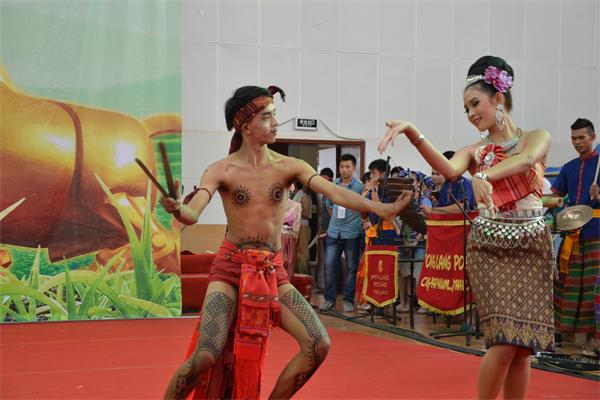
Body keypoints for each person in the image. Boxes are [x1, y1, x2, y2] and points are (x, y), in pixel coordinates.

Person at [160, 85, 410, 399]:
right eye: (267, 116)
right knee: (206, 354)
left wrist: (379, 208)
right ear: (245, 124)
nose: (275, 122)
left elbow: (335, 192)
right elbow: (192, 213)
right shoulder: (221, 170)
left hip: (272, 271)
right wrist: (177, 208)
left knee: (318, 344)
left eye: (274, 114)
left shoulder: (288, 166)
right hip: (229, 269)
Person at [378, 55, 554, 400]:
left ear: (498, 98)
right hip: (490, 247)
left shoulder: (537, 137)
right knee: (503, 341)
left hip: (533, 244)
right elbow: (448, 169)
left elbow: (525, 160)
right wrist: (413, 132)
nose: (471, 113)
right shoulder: (474, 151)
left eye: (475, 104)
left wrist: (484, 175)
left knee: (523, 346)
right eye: (466, 109)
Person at [551, 118, 599, 356]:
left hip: (596, 234)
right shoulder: (568, 167)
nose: (577, 142)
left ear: (593, 137)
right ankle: (571, 335)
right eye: (573, 138)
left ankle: (594, 340)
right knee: (569, 285)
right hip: (573, 235)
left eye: (582, 138)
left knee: (592, 288)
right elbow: (554, 196)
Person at [319, 154, 366, 313]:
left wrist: (351, 221)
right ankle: (329, 300)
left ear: (354, 168)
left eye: (347, 167)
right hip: (334, 232)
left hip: (352, 232)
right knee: (329, 266)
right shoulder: (333, 185)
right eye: (341, 166)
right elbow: (329, 205)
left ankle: (348, 300)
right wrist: (337, 221)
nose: (344, 169)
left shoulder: (359, 187)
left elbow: (363, 208)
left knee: (352, 268)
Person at [292, 181, 311, 275]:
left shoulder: (303, 196)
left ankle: (304, 276)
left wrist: (294, 212)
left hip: (302, 227)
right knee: (294, 253)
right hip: (296, 226)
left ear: (295, 185)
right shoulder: (296, 195)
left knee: (302, 254)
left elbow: (307, 214)